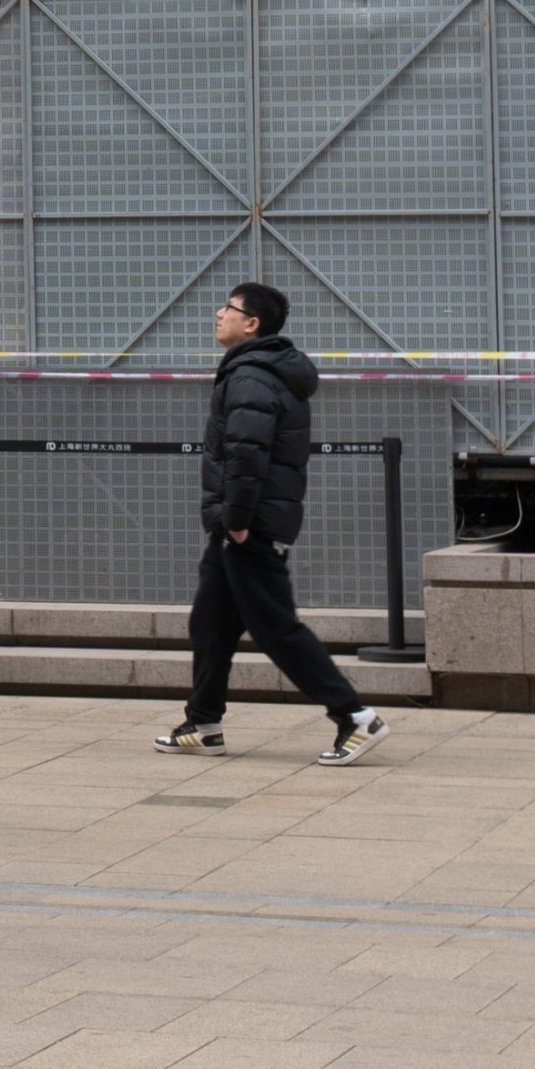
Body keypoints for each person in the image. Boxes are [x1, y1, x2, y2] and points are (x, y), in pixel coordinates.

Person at [158, 281, 385, 765]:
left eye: (229, 308)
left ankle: (356, 717)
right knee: (211, 623)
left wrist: (237, 523)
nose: (219, 314)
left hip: (246, 524)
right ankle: (203, 721)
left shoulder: (252, 377)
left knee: (277, 628)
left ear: (252, 324)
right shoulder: (256, 371)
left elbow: (247, 455)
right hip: (237, 523)